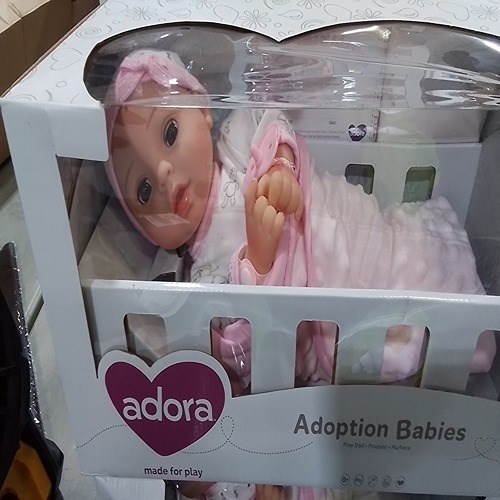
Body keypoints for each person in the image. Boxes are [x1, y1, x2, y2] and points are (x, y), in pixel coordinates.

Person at [105, 49, 496, 498]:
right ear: (146, 231)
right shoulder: (205, 277)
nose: (162, 171)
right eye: (143, 190)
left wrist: (281, 166)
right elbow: (246, 356)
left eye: (170, 133)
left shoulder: (236, 140)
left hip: (351, 233)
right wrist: (259, 262)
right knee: (384, 349)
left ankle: (450, 298)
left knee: (407, 257)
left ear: (203, 113)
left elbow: (272, 122)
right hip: (331, 325)